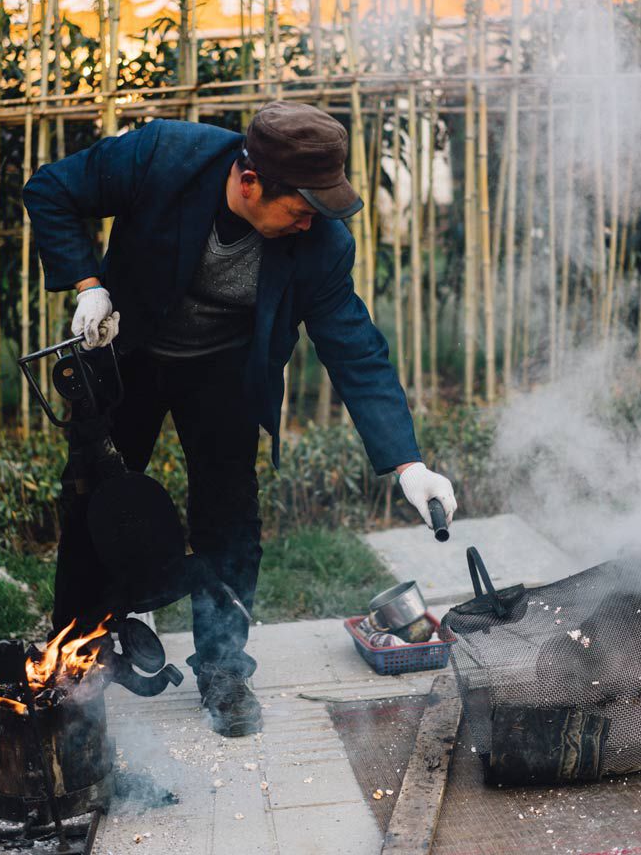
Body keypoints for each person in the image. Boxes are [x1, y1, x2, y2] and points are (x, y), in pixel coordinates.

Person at [23, 101, 457, 737]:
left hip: (225, 370)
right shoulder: (164, 155)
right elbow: (50, 189)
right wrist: (88, 283)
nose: (311, 223)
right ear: (250, 181)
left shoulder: (321, 242)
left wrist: (407, 464)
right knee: (95, 507)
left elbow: (354, 346)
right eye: (302, 207)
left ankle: (224, 669)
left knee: (230, 519)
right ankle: (74, 664)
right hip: (130, 354)